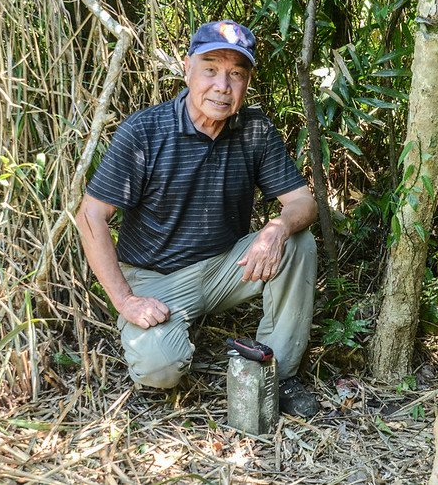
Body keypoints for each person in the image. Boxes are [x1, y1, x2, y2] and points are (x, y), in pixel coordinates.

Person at [76, 20, 319, 417]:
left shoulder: (254, 129)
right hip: (157, 278)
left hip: (226, 267)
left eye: (236, 74)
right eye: (210, 69)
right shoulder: (145, 130)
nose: (222, 86)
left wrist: (277, 228)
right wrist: (126, 300)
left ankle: (279, 372)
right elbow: (91, 216)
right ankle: (169, 340)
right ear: (187, 69)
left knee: (297, 242)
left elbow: (302, 203)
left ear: (246, 82)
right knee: (159, 369)